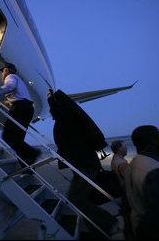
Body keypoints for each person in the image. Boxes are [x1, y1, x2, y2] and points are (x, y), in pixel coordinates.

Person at [47, 88, 117, 237]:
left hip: (85, 165)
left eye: (52, 108)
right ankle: (97, 228)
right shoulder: (67, 119)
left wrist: (52, 98)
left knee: (76, 199)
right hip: (84, 164)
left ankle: (107, 222)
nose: (50, 111)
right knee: (82, 198)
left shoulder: (65, 118)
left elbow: (68, 143)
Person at [0, 62, 40, 166]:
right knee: (18, 139)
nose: (2, 74)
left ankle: (33, 152)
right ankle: (27, 167)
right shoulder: (18, 79)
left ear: (6, 70)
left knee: (7, 136)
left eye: (3, 71)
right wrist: (10, 101)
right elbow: (20, 94)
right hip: (27, 108)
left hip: (20, 108)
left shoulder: (11, 77)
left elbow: (9, 86)